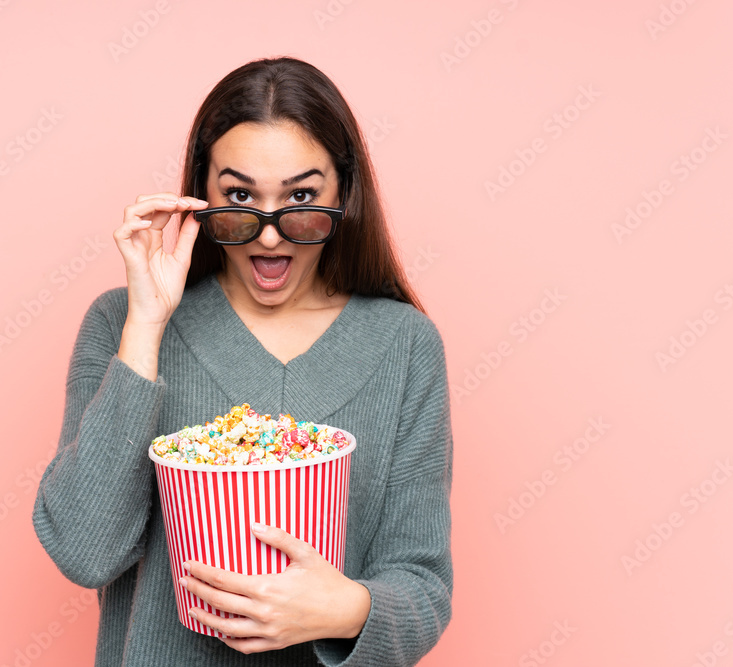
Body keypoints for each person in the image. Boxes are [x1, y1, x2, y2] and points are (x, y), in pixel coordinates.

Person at [32, 56, 453, 666]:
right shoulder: (121, 325)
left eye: (302, 197)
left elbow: (423, 585)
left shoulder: (405, 346)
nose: (270, 235)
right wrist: (147, 325)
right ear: (201, 195)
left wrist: (341, 610)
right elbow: (84, 550)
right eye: (239, 197)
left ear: (345, 191)